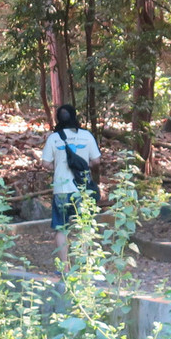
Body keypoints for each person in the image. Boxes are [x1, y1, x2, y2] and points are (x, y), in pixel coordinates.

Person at [41, 103, 101, 268]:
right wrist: (83, 166)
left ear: (58, 119)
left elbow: (45, 164)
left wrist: (58, 167)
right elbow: (96, 160)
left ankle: (65, 268)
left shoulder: (54, 138)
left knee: (61, 228)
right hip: (82, 189)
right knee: (84, 226)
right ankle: (84, 266)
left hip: (61, 189)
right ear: (75, 116)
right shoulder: (86, 136)